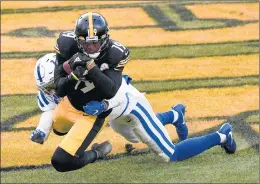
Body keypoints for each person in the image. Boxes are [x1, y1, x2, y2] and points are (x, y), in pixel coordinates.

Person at [51, 12, 188, 172]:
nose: (91, 47)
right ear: (77, 40)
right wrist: (73, 75)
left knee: (136, 136)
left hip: (105, 105)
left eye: (95, 43)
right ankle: (173, 115)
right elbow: (59, 88)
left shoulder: (115, 52)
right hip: (73, 102)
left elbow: (110, 91)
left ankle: (98, 153)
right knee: (59, 130)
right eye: (86, 43)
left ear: (105, 39)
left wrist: (91, 67)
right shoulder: (66, 44)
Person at [83, 74, 237, 162]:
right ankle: (175, 115)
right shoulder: (67, 63)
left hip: (131, 105)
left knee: (170, 155)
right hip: (116, 112)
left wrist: (104, 105)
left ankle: (222, 136)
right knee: (135, 137)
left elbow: (120, 93)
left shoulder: (107, 59)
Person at [30, 53, 112, 172]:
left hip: (97, 113)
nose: (51, 91)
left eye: (53, 85)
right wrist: (42, 130)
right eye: (48, 88)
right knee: (59, 130)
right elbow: (49, 110)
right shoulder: (52, 93)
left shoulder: (88, 76)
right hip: (72, 113)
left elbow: (113, 91)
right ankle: (98, 153)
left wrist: (105, 105)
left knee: (128, 131)